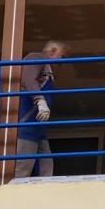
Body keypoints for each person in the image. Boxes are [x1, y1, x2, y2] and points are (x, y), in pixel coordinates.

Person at [14, 40, 68, 178]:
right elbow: (28, 79)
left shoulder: (47, 69)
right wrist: (40, 100)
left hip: (37, 125)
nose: (62, 62)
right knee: (23, 166)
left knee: (46, 164)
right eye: (62, 56)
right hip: (27, 123)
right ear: (52, 51)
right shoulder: (36, 58)